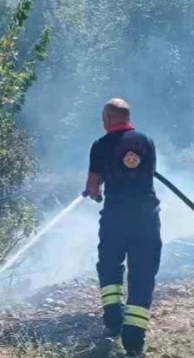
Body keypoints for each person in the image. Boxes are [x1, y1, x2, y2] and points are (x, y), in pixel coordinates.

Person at [82, 98, 162, 358]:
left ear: (107, 118)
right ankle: (134, 341)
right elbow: (150, 173)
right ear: (127, 118)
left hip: (116, 219)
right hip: (146, 219)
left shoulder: (100, 146)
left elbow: (94, 187)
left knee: (110, 267)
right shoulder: (146, 141)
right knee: (142, 276)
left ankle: (113, 318)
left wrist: (94, 192)